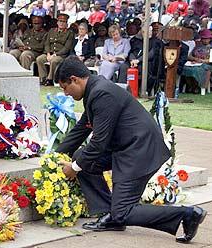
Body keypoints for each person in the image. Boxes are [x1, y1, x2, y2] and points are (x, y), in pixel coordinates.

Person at [54, 55, 207, 244]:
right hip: (128, 147)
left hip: (139, 150)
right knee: (82, 158)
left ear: (74, 80)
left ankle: (187, 214)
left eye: (65, 87)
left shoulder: (101, 93)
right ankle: (111, 215)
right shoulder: (95, 89)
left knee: (123, 212)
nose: (66, 93)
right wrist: (56, 155)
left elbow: (99, 142)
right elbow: (82, 127)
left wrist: (74, 168)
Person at [36, 13, 74, 85]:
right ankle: (43, 78)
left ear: (66, 23)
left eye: (64, 22)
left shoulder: (69, 33)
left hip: (61, 55)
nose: (62, 23)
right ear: (57, 22)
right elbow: (47, 43)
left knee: (54, 61)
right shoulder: (52, 31)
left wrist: (55, 54)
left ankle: (50, 79)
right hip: (50, 53)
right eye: (60, 21)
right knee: (39, 59)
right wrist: (48, 54)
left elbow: (66, 48)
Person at [183, 29, 212, 95]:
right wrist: (195, 59)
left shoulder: (211, 47)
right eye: (203, 38)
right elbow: (189, 56)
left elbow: (210, 60)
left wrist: (201, 61)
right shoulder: (197, 46)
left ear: (210, 39)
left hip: (207, 65)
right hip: (195, 63)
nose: (205, 40)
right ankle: (191, 86)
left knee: (197, 69)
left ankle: (198, 87)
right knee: (185, 68)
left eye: (207, 38)